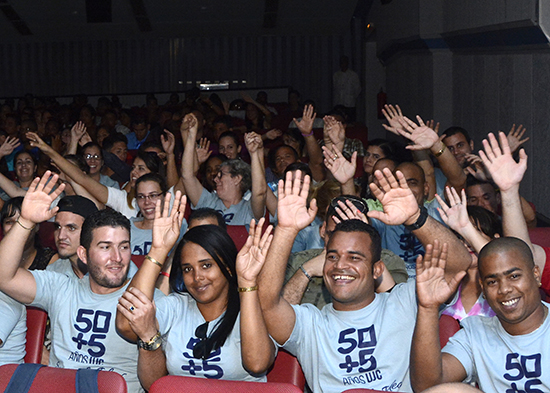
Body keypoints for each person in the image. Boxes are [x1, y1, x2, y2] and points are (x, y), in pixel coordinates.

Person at [257, 169, 471, 393]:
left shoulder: (403, 302)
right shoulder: (311, 323)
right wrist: (286, 230)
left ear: (377, 269)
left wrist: (415, 218)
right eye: (332, 256)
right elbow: (268, 302)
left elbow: (459, 264)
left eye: (354, 257)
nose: (340, 265)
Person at [0, 172, 158, 392]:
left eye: (124, 246)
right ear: (83, 254)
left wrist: (150, 338)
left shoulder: (148, 297)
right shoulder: (61, 285)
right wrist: (25, 221)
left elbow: (155, 384)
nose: (117, 258)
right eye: (105, 247)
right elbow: (4, 276)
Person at [115, 194, 276, 389]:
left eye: (206, 265)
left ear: (226, 264)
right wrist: (159, 249)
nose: (197, 277)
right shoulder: (177, 305)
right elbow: (126, 323)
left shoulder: (251, 307)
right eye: (187, 269)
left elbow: (257, 364)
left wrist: (247, 282)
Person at [410, 237, 549, 393]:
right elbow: (427, 385)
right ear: (482, 288)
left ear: (536, 275)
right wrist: (428, 308)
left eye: (514, 276)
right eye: (492, 282)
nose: (504, 289)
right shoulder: (475, 332)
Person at [181, 114, 266, 225]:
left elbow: (260, 193)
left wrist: (254, 154)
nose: (215, 179)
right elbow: (187, 176)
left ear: (237, 178)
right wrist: (192, 135)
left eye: (221, 175)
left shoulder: (249, 208)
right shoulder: (209, 202)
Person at [131, 173, 187, 255]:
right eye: (141, 196)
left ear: (165, 196)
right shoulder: (127, 227)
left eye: (153, 195)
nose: (147, 202)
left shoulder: (178, 224)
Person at [46, 195, 99, 279]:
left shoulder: (111, 268)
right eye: (58, 227)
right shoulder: (54, 271)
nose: (61, 236)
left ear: (89, 231)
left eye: (71, 228)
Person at [1, 197, 58, 270]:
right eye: (9, 222)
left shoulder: (52, 260)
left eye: (23, 222)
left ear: (36, 227)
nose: (16, 228)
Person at [332, 55, 361, 122]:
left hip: (350, 104)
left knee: (350, 122)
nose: (343, 63)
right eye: (341, 62)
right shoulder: (336, 75)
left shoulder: (353, 75)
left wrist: (351, 97)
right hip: (338, 103)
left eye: (344, 62)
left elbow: (357, 89)